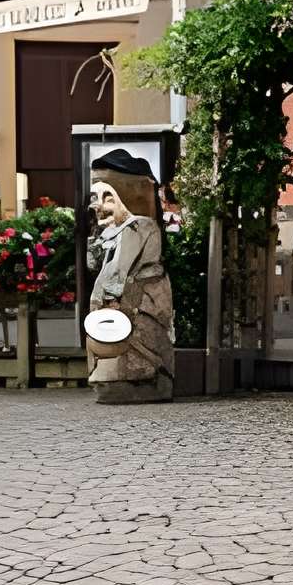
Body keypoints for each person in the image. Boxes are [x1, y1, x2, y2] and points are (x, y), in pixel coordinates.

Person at [84, 153, 176, 405]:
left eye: (108, 197)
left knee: (134, 347)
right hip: (126, 301)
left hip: (139, 301)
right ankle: (115, 381)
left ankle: (140, 382)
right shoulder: (114, 231)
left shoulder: (140, 227)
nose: (98, 204)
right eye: (95, 197)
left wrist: (106, 300)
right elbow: (94, 265)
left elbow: (119, 271)